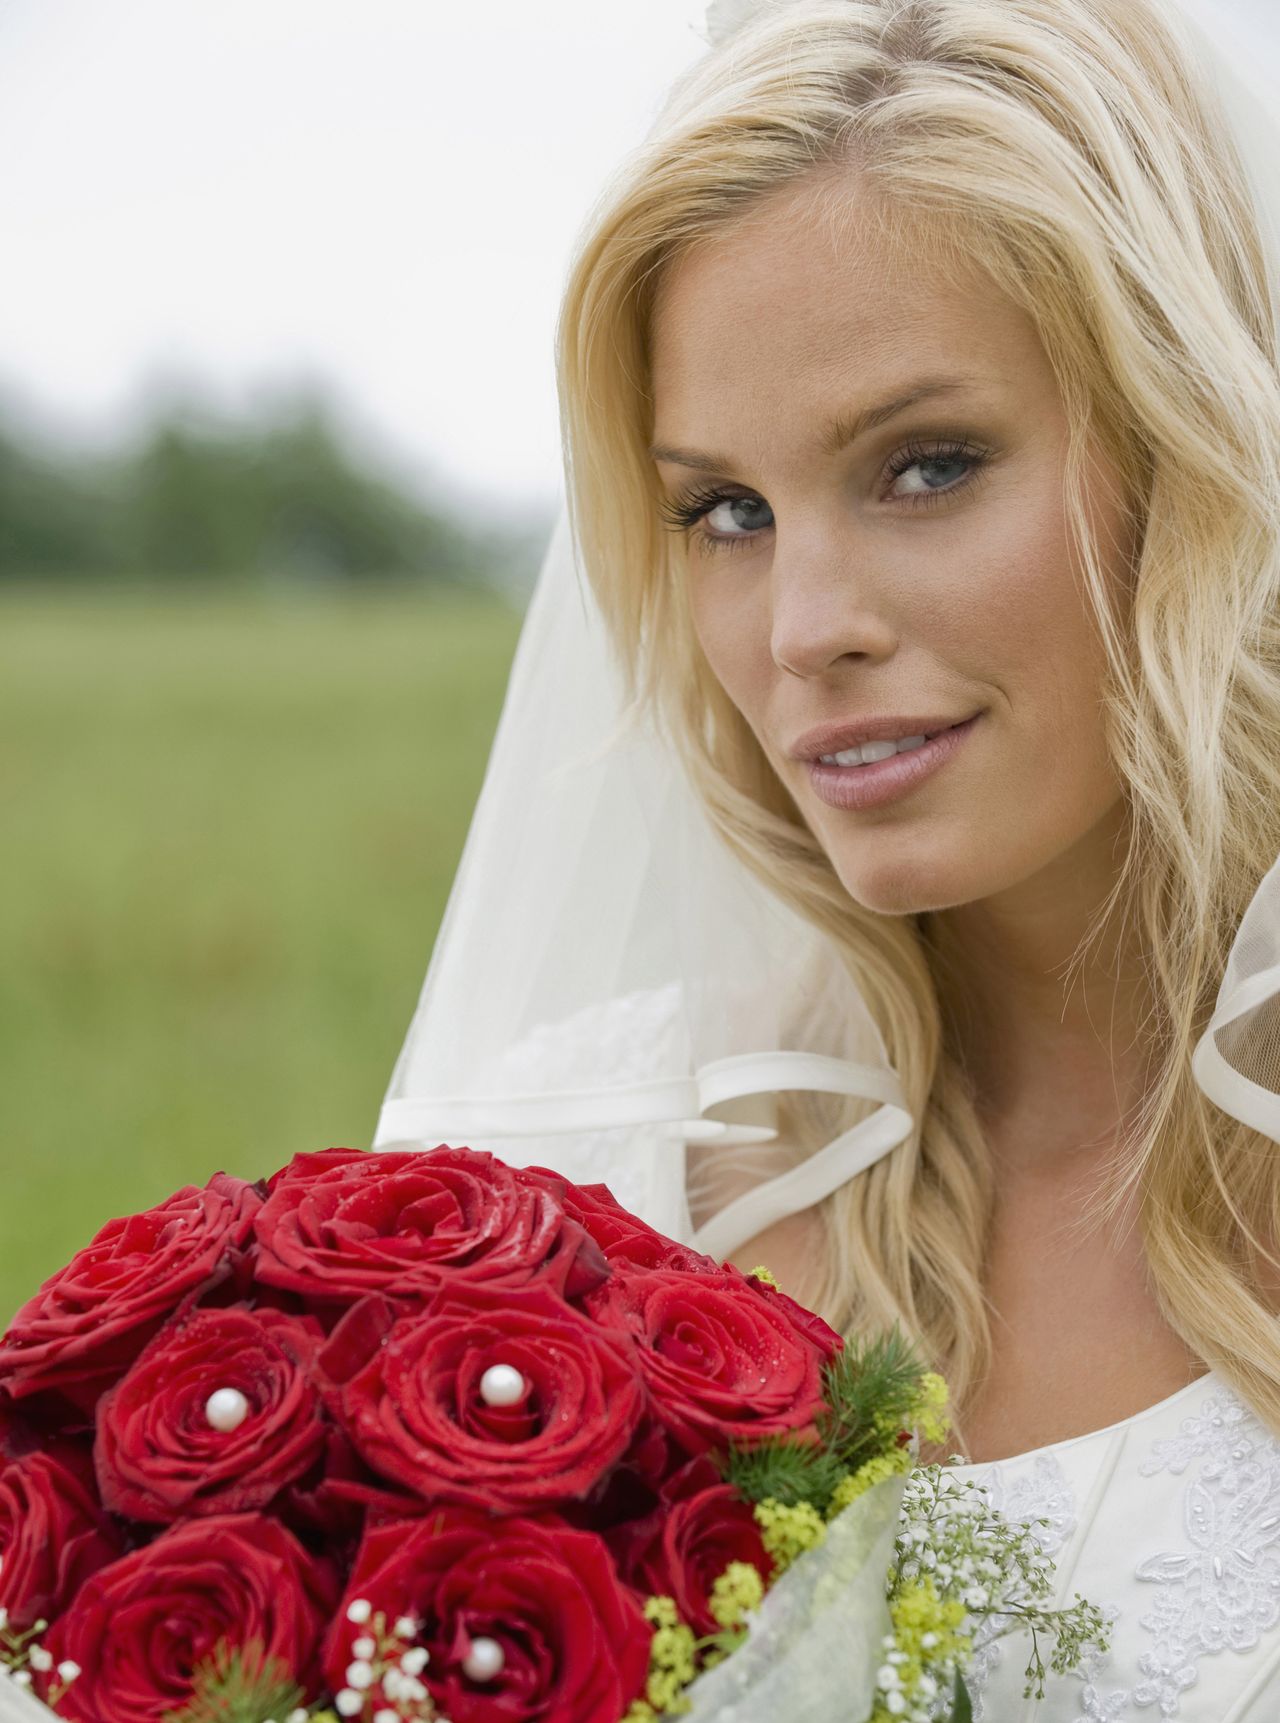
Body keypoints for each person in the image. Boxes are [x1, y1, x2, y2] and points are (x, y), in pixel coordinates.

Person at [376, 0, 1280, 1711]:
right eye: (725, 510)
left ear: (1189, 455)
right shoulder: (583, 1184)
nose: (801, 630)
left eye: (924, 467)